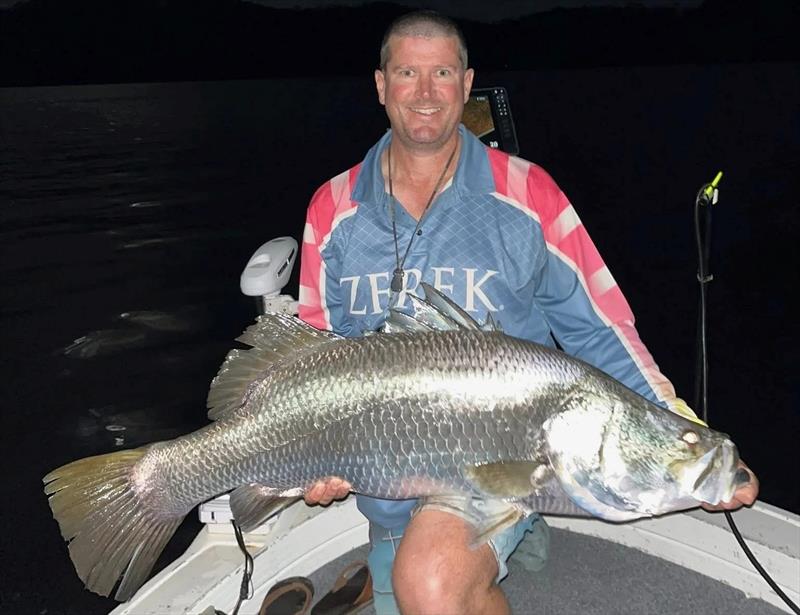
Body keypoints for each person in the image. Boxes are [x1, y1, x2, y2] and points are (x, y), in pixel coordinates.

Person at [296, 10, 759, 615]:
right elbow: (312, 350)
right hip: (381, 480)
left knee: (430, 585)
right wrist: (314, 453)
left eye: (443, 72)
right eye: (408, 72)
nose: (427, 92)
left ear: (467, 85)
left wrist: (676, 429)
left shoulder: (529, 193)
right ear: (381, 85)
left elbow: (600, 330)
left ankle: (516, 522)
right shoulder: (331, 208)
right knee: (406, 584)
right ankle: (502, 541)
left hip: (501, 463)